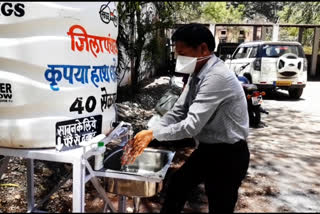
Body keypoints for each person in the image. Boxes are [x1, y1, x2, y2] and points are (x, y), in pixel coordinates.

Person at [121, 23, 250, 213]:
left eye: (182, 53)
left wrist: (153, 134)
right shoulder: (197, 72)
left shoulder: (217, 77)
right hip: (208, 149)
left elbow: (191, 126)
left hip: (229, 154)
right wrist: (153, 129)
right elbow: (178, 110)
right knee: (178, 184)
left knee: (219, 203)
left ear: (203, 49)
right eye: (177, 53)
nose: (178, 58)